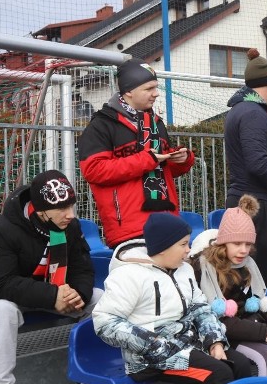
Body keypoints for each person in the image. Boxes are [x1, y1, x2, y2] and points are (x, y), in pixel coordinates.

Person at [93, 213, 253, 384]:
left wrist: (215, 341)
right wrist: (155, 344)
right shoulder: (129, 275)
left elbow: (200, 307)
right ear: (164, 246)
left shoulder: (184, 270)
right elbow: (104, 321)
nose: (189, 251)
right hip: (150, 359)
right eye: (183, 244)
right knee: (219, 375)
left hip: (187, 346)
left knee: (242, 365)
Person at [0, 170, 101, 384]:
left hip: (47, 291)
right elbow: (0, 284)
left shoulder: (70, 227)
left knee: (101, 299)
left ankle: (89, 376)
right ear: (41, 210)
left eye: (71, 206)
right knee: (3, 311)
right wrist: (53, 296)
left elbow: (83, 270)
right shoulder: (3, 230)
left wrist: (79, 294)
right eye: (62, 209)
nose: (71, 215)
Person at [78, 58, 195, 248]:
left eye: (156, 87)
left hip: (167, 221)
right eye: (149, 89)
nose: (156, 94)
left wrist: (181, 159)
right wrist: (146, 160)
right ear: (129, 91)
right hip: (130, 229)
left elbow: (161, 169)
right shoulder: (102, 125)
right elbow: (94, 170)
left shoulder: (156, 122)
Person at [190, 195, 267, 384]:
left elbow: (260, 301)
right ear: (223, 242)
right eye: (236, 244)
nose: (243, 250)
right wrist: (264, 333)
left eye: (248, 244)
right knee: (266, 356)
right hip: (226, 334)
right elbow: (218, 319)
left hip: (251, 327)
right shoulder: (207, 269)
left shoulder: (248, 264)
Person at [224, 49, 267, 287]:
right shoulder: (253, 114)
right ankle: (258, 323)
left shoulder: (243, 110)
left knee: (248, 277)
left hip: (250, 200)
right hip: (256, 204)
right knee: (256, 278)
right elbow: (257, 162)